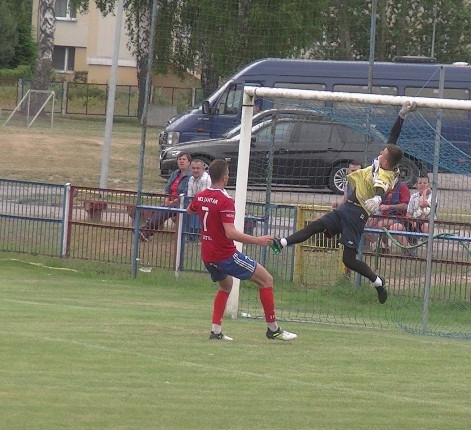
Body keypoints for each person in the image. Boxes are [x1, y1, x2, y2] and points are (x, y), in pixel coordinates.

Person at [269, 101, 417, 304]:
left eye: (383, 153)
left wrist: (377, 198)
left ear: (384, 161)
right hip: (347, 208)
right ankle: (283, 242)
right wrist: (401, 116)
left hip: (357, 216)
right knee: (316, 225)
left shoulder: (383, 173)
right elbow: (393, 139)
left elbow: (380, 187)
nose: (380, 151)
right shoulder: (386, 160)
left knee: (348, 260)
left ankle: (378, 282)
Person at [187, 159, 297, 341]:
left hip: (208, 255)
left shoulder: (201, 195)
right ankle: (273, 329)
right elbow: (230, 233)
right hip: (225, 255)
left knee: (226, 285)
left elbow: (190, 211)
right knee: (266, 280)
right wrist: (258, 240)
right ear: (225, 177)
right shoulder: (225, 201)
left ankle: (215, 331)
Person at [140, 152, 191, 241]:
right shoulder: (175, 173)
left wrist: (172, 202)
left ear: (189, 162)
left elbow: (185, 192)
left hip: (182, 203)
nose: (181, 161)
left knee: (163, 211)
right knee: (158, 209)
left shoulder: (190, 176)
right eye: (179, 159)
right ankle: (146, 232)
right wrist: (167, 198)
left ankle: (145, 231)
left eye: (184, 159)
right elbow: (167, 188)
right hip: (170, 202)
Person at [364, 181, 410, 254]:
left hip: (398, 217)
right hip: (383, 215)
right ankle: (380, 246)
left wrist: (388, 207)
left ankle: (408, 250)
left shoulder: (402, 186)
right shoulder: (383, 187)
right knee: (366, 225)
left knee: (381, 224)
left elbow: (405, 206)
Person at [404, 173, 435, 244]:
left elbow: (422, 204)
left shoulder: (432, 196)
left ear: (429, 185)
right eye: (420, 183)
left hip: (428, 221)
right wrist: (413, 221)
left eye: (425, 183)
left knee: (426, 226)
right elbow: (408, 214)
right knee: (407, 225)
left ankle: (428, 251)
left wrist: (424, 193)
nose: (422, 185)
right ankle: (412, 250)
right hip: (415, 221)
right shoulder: (413, 197)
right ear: (416, 185)